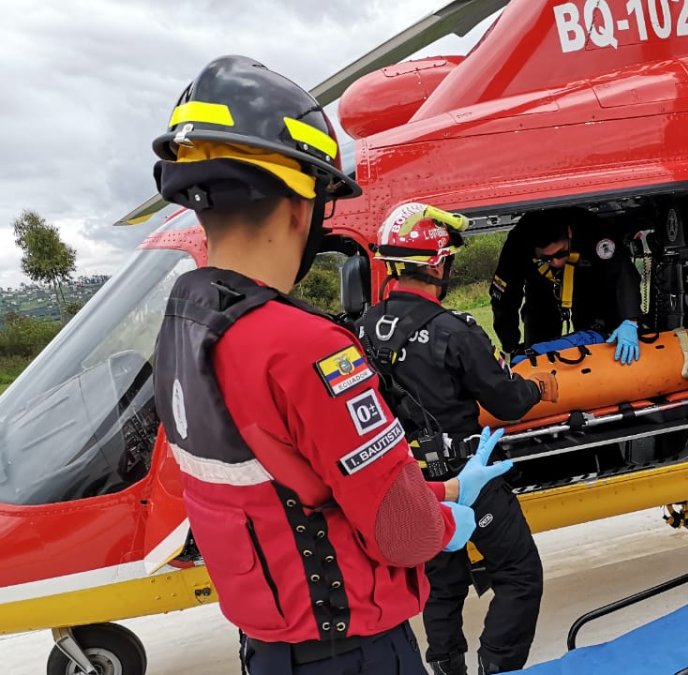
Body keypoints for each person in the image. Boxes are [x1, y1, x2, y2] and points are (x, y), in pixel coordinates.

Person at [150, 55, 510, 675]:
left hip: (269, 650)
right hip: (354, 653)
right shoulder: (304, 347)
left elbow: (298, 485)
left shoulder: (182, 330)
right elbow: (400, 531)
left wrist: (445, 489)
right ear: (302, 205)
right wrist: (446, 522)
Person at [355, 203, 556, 675]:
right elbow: (506, 401)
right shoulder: (453, 331)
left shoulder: (360, 330)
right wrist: (535, 388)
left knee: (441, 585)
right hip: (466, 477)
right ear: (438, 264)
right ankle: (497, 667)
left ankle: (446, 667)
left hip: (409, 484)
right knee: (520, 576)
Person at [489, 207, 642, 364]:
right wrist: (510, 346)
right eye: (547, 258)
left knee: (597, 334)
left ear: (569, 233)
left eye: (560, 253)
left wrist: (630, 319)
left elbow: (624, 273)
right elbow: (503, 298)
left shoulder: (594, 230)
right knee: (538, 343)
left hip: (590, 284)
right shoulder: (518, 244)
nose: (556, 262)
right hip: (542, 290)